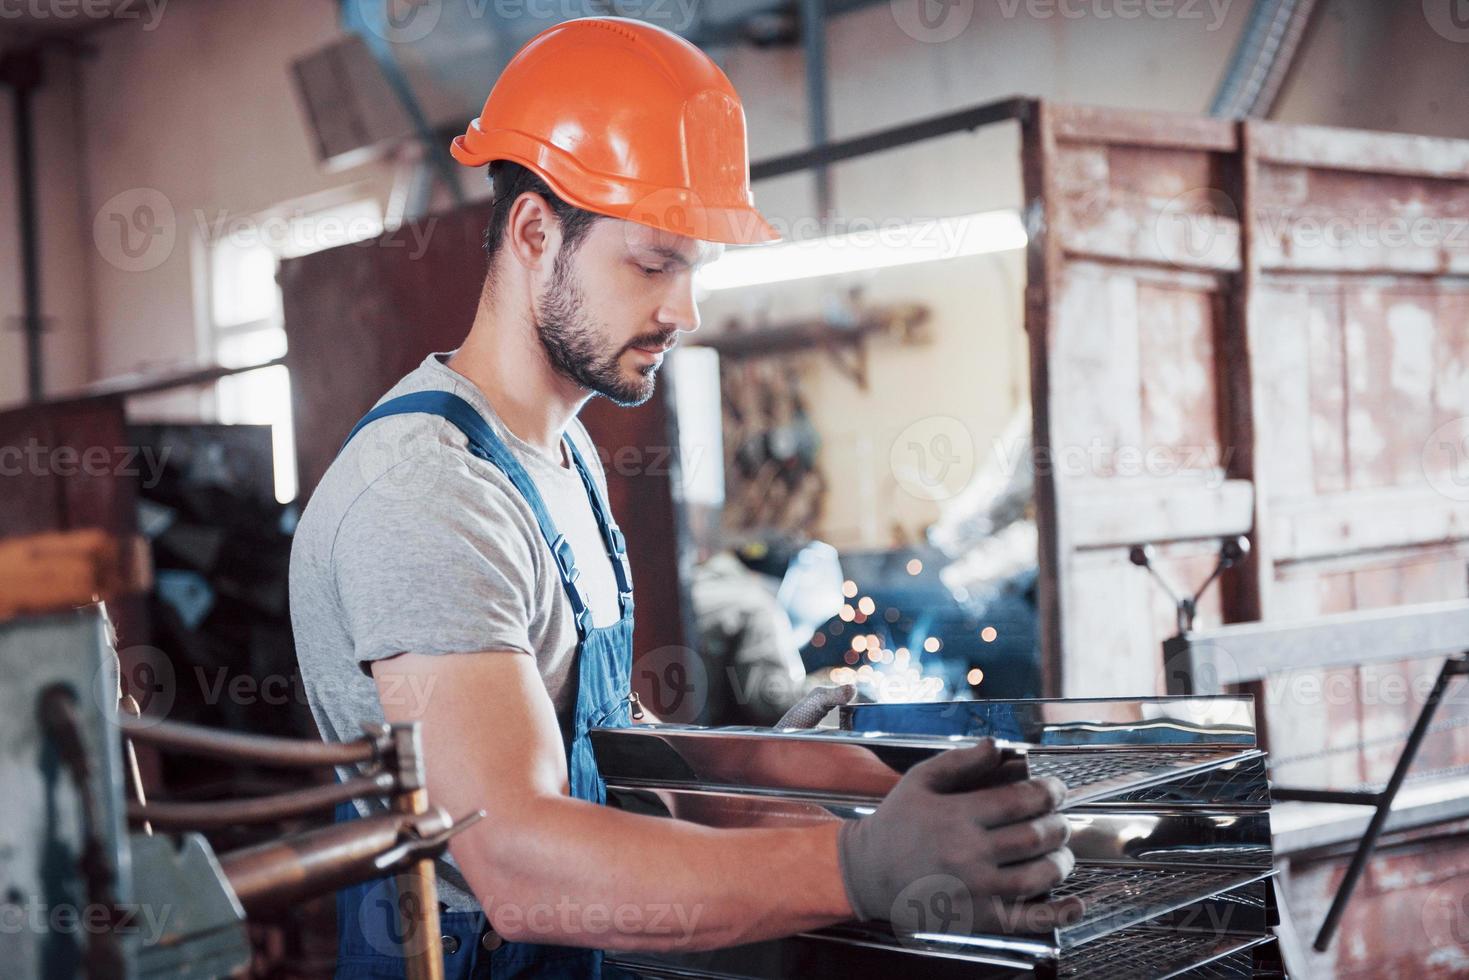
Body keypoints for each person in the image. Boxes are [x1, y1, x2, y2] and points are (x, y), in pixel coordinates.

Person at [289, 17, 1080, 979]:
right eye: (653, 263)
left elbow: (592, 735)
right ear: (537, 233)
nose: (684, 310)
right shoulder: (427, 492)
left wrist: (800, 767)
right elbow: (518, 863)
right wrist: (860, 861)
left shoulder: (559, 455)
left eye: (692, 268)